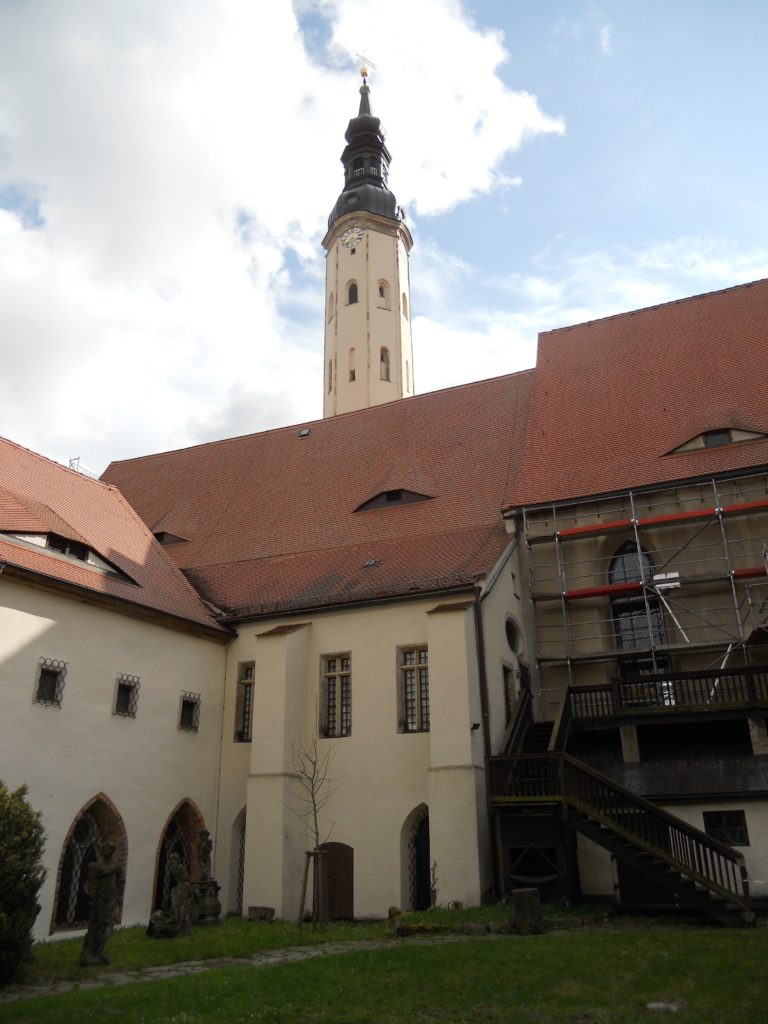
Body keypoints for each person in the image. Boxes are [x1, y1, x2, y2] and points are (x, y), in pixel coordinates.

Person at [79, 842, 121, 967]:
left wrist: (118, 897)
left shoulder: (116, 867)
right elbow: (91, 883)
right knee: (98, 922)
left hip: (110, 898)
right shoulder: (97, 867)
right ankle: (90, 951)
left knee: (106, 923)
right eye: (104, 848)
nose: (106, 850)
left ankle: (100, 951)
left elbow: (119, 882)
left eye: (108, 848)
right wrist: (92, 897)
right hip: (99, 898)